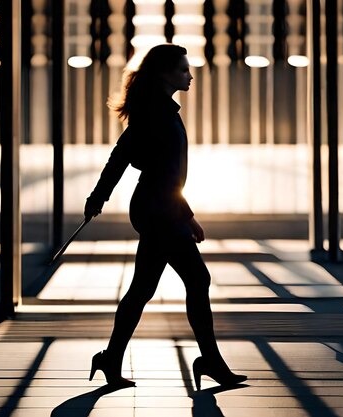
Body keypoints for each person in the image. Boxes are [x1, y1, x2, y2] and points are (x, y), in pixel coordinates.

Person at [84, 44, 247, 390]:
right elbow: (125, 158)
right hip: (158, 210)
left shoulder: (161, 111)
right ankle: (210, 361)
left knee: (142, 288)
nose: (190, 75)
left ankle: (111, 358)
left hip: (160, 208)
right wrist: (98, 197)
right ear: (165, 73)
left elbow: (160, 172)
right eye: (184, 69)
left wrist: (185, 215)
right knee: (197, 279)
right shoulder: (156, 113)